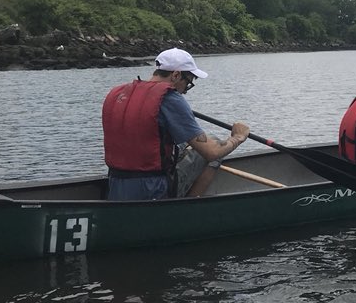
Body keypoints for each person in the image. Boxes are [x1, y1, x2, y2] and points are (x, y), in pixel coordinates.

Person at [102, 48, 250, 201]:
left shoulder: (118, 93)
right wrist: (238, 138)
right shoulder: (170, 98)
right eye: (188, 84)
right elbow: (212, 152)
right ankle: (187, 208)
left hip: (116, 186)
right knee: (215, 146)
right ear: (176, 75)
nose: (185, 91)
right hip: (153, 190)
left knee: (184, 145)